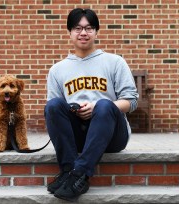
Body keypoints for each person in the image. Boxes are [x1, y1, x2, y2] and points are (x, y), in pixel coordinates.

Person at [44, 8, 139, 202]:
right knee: (53, 105)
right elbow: (55, 112)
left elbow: (131, 101)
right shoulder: (57, 69)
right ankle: (69, 171)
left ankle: (80, 174)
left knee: (104, 105)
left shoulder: (114, 62)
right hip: (77, 135)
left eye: (89, 28)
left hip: (111, 135)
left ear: (96, 31)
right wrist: (73, 109)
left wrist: (97, 107)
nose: (83, 33)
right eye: (77, 28)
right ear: (69, 32)